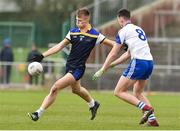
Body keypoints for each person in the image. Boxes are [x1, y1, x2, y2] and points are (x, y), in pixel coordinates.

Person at [28, 8, 115, 121]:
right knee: (76, 90)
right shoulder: (73, 32)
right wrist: (42, 56)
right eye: (76, 20)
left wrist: (125, 46)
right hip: (69, 66)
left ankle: (38, 113)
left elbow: (113, 44)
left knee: (55, 88)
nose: (78, 23)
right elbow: (59, 46)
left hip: (78, 69)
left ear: (87, 19)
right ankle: (93, 104)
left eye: (80, 21)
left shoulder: (95, 35)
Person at [93, 9, 159, 126]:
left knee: (118, 91)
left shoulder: (123, 31)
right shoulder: (138, 29)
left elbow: (113, 53)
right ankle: (152, 120)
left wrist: (103, 68)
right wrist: (112, 65)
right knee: (137, 93)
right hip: (149, 63)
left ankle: (147, 108)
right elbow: (128, 53)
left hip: (138, 62)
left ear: (120, 19)